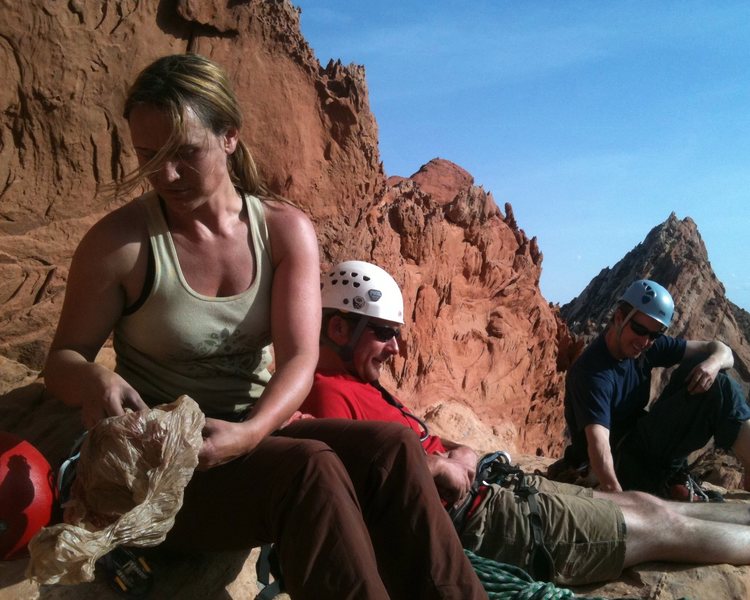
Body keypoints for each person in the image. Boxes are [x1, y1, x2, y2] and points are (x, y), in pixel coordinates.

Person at [43, 54, 487, 599]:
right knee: (308, 468)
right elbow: (63, 360)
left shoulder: (281, 231)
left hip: (249, 436)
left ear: (229, 137)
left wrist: (251, 432)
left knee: (393, 447)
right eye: (147, 155)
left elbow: (300, 357)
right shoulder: (121, 245)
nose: (165, 173)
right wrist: (96, 380)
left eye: (184, 153)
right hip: (167, 464)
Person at [302, 260, 750, 587]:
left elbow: (411, 444)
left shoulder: (359, 383)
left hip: (496, 491)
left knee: (642, 506)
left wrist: (459, 451)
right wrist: (438, 467)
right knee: (656, 528)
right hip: (486, 519)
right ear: (339, 330)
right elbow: (357, 497)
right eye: (383, 333)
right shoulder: (328, 396)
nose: (396, 349)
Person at [556, 278, 750, 497]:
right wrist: (619, 501)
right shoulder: (593, 372)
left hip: (641, 443)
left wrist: (712, 364)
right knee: (718, 388)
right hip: (620, 461)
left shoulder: (646, 346)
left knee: (705, 374)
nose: (645, 341)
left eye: (655, 335)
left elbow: (722, 351)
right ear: (619, 318)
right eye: (639, 329)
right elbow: (599, 447)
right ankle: (666, 482)